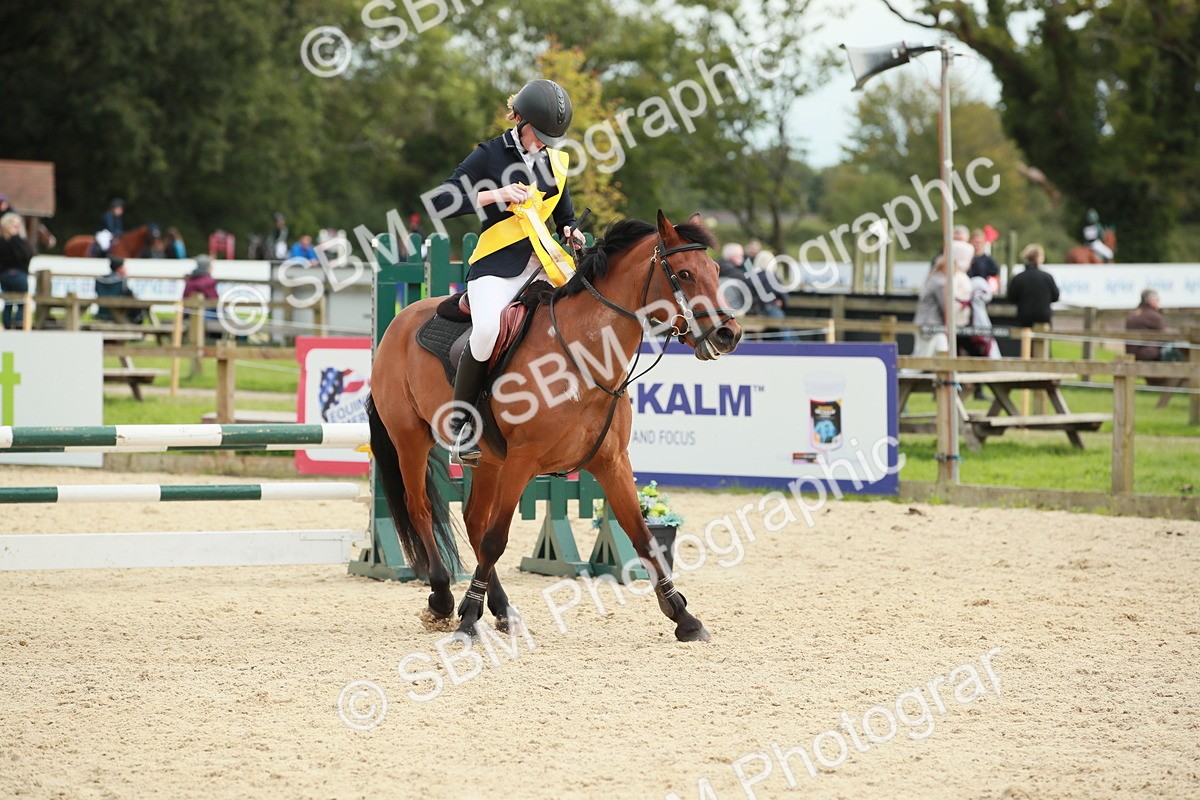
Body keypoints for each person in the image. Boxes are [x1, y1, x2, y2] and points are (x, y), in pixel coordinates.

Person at [426, 78, 580, 465]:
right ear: (520, 120)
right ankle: (462, 424)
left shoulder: (553, 161)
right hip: (495, 264)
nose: (544, 143)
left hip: (543, 262)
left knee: (583, 314)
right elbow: (442, 200)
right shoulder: (489, 155)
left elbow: (563, 211)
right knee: (489, 329)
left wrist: (570, 229)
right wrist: (497, 194)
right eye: (540, 135)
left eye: (550, 138)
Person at [912, 241, 973, 357]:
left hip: (932, 326)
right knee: (922, 357)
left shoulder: (933, 278)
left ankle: (943, 374)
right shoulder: (940, 282)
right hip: (930, 325)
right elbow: (947, 306)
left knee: (942, 353)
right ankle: (904, 373)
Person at [1006, 244, 1060, 328]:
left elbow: (1011, 297)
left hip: (1024, 317)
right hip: (1043, 317)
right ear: (1039, 258)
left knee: (1025, 340)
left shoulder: (1018, 278)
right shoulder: (1047, 277)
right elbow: (1056, 296)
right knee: (1042, 339)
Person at [0, 212, 33, 329]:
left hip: (4, 277)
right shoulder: (17, 241)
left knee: (8, 302)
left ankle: (8, 325)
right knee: (21, 302)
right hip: (18, 276)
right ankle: (19, 326)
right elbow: (27, 254)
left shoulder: (2, 241)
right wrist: (15, 237)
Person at [94, 257, 144, 324]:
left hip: (102, 312)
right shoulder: (121, 280)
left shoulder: (100, 279)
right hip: (118, 313)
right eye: (123, 267)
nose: (126, 269)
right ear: (119, 269)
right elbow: (132, 297)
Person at [1125, 289, 1166, 361]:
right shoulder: (1154, 316)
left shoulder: (1133, 315)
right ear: (1150, 301)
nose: (1158, 302)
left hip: (1131, 353)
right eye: (1157, 300)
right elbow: (1164, 336)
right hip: (1149, 355)